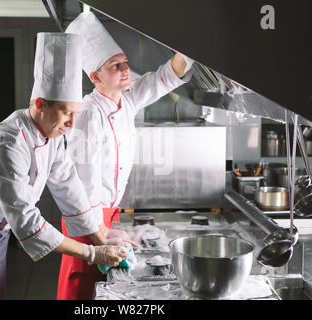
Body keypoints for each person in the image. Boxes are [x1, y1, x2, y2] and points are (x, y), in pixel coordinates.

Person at [0, 32, 127, 300]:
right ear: (40, 104)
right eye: (66, 112)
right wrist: (91, 253)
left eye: (76, 113)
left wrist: (103, 241)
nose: (72, 122)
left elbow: (71, 193)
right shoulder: (9, 143)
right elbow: (26, 220)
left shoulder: (52, 138)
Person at [57, 11, 194, 300]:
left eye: (125, 63)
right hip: (86, 222)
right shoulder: (88, 115)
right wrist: (102, 239)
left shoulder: (127, 100)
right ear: (95, 77)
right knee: (82, 288)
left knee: (103, 290)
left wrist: (193, 48)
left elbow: (165, 78)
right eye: (114, 65)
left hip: (108, 216)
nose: (124, 69)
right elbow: (83, 189)